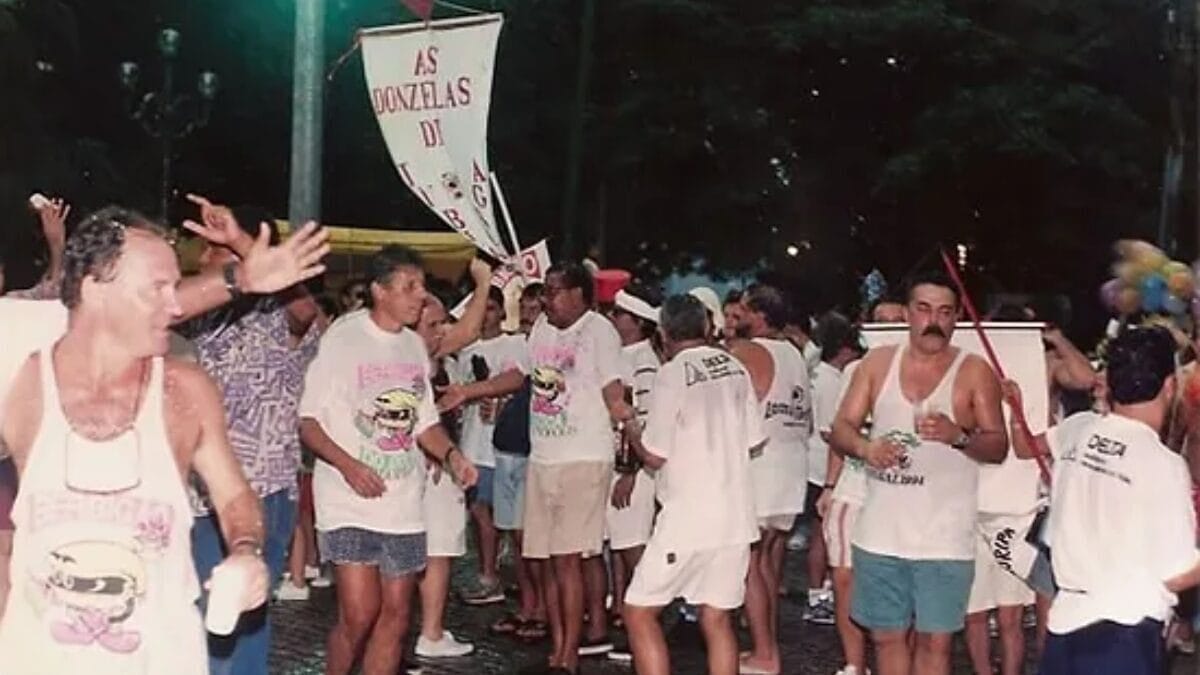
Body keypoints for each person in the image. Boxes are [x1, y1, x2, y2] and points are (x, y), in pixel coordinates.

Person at [0, 206, 331, 673]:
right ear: (95, 288)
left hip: (162, 657)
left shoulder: (185, 390)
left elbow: (235, 497)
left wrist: (245, 552)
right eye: (157, 289)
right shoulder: (22, 375)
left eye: (176, 288)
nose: (176, 307)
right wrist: (237, 279)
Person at [440, 261, 634, 674]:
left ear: (580, 294)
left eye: (555, 291)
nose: (547, 299)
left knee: (568, 559)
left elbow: (614, 388)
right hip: (542, 457)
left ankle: (568, 656)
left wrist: (623, 414)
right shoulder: (543, 328)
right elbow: (520, 377)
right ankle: (558, 649)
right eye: (545, 290)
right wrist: (469, 392)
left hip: (582, 458)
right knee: (544, 558)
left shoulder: (599, 332)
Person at [298, 244, 478, 675]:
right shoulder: (344, 338)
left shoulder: (414, 347)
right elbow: (308, 422)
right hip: (349, 501)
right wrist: (350, 467)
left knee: (396, 617)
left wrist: (452, 455)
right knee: (360, 614)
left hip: (403, 505)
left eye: (422, 285)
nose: (421, 295)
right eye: (409, 286)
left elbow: (424, 422)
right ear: (380, 291)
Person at [175, 196, 323, 675]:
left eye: (214, 251)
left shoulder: (279, 312)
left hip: (263, 492)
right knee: (209, 616)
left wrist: (240, 242)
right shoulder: (205, 318)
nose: (204, 258)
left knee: (240, 617)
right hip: (204, 493)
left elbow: (305, 312)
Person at [832, 271, 1008, 675]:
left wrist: (959, 436)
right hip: (881, 534)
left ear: (957, 316)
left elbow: (998, 446)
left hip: (944, 538)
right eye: (925, 309)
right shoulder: (877, 364)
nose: (934, 321)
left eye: (945, 312)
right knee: (886, 639)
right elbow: (841, 427)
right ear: (907, 313)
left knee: (935, 644)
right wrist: (866, 448)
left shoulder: (974, 371)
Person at [1006, 327, 1200, 675]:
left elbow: (1025, 447)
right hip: (1124, 637)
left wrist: (1016, 409)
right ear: (1170, 386)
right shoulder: (1163, 464)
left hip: (1063, 628)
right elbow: (1177, 573)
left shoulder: (1077, 428)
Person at [620, 294, 765, 675]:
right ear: (706, 326)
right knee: (717, 619)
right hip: (735, 518)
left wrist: (630, 425)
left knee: (638, 611)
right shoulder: (734, 367)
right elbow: (754, 440)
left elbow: (654, 455)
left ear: (663, 333)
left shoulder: (672, 373)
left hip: (688, 519)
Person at [730, 283, 812, 675]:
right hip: (791, 468)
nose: (737, 316)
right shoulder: (795, 354)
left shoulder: (749, 352)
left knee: (749, 561)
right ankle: (767, 644)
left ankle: (764, 653)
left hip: (761, 467)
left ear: (760, 316)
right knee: (765, 561)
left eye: (743, 310)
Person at [457, 287, 528, 606]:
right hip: (472, 443)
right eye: (479, 309)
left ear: (501, 312)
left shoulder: (514, 344)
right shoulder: (465, 349)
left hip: (504, 447)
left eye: (490, 308)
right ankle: (488, 575)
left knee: (510, 520)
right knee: (479, 512)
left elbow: (519, 380)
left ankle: (525, 586)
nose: (484, 316)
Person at [604, 285, 663, 662]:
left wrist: (631, 470)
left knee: (632, 546)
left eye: (619, 314)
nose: (613, 319)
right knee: (619, 545)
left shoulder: (644, 361)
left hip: (633, 468)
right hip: (616, 461)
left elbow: (646, 420)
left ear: (637, 322)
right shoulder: (622, 356)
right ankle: (627, 617)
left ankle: (646, 623)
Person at [803, 314, 862, 629]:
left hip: (817, 462)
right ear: (843, 349)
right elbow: (831, 430)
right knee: (821, 536)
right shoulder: (830, 380)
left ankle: (821, 591)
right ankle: (817, 596)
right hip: (822, 466)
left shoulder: (819, 373)